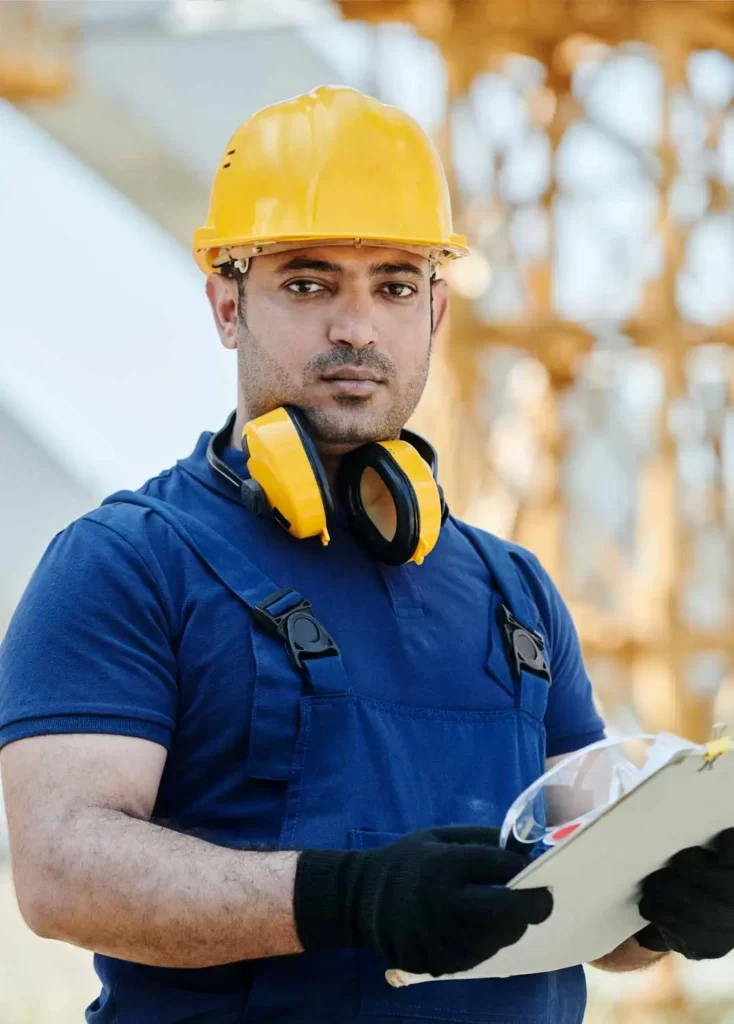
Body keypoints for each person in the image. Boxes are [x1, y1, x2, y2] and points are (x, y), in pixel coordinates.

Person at [1, 85, 733, 1024]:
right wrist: (346, 899)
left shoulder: (516, 596)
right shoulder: (127, 564)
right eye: (308, 284)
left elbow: (577, 890)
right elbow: (62, 872)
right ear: (227, 304)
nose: (357, 326)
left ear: (435, 313)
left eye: (394, 285)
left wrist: (662, 907)